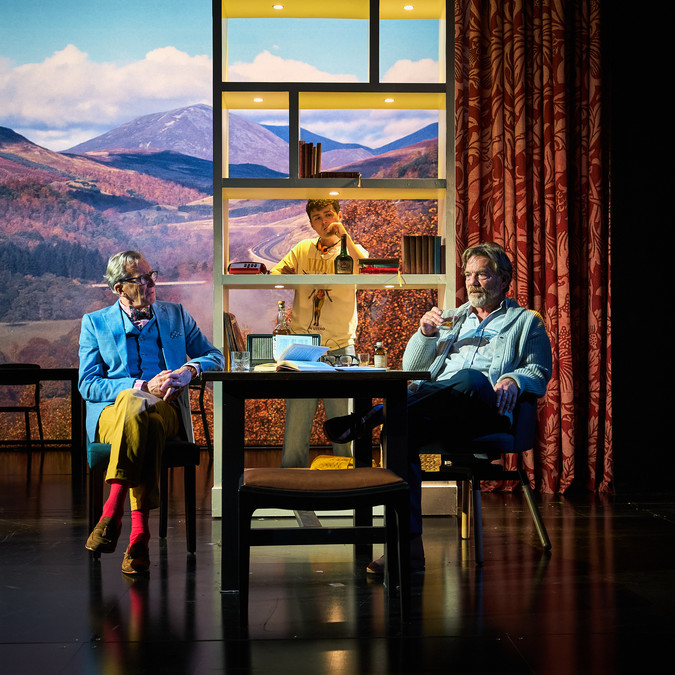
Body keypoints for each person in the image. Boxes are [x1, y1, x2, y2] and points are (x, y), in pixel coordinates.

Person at [324, 242, 552, 573]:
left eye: (483, 275)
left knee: (472, 378)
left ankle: (371, 415)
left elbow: (538, 371)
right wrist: (425, 333)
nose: (473, 282)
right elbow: (412, 367)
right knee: (399, 429)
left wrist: (515, 380)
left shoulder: (526, 321)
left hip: (486, 412)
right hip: (443, 409)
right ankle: (409, 547)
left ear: (505, 280)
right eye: (469, 275)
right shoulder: (452, 318)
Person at [79, 250, 224, 574]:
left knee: (146, 415)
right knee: (136, 406)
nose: (151, 283)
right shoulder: (95, 323)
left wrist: (188, 370)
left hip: (168, 409)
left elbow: (215, 356)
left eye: (151, 275)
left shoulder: (176, 315)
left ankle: (113, 509)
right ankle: (138, 537)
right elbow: (88, 385)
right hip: (112, 416)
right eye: (140, 279)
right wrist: (141, 387)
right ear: (119, 288)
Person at [270, 199, 368, 467]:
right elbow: (274, 274)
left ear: (338, 215)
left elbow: (370, 270)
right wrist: (283, 275)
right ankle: (291, 488)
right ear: (311, 223)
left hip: (340, 348)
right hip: (304, 349)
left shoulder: (352, 250)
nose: (324, 222)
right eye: (317, 218)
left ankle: (349, 488)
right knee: (297, 424)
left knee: (344, 425)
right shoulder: (302, 249)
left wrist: (345, 235)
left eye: (328, 214)